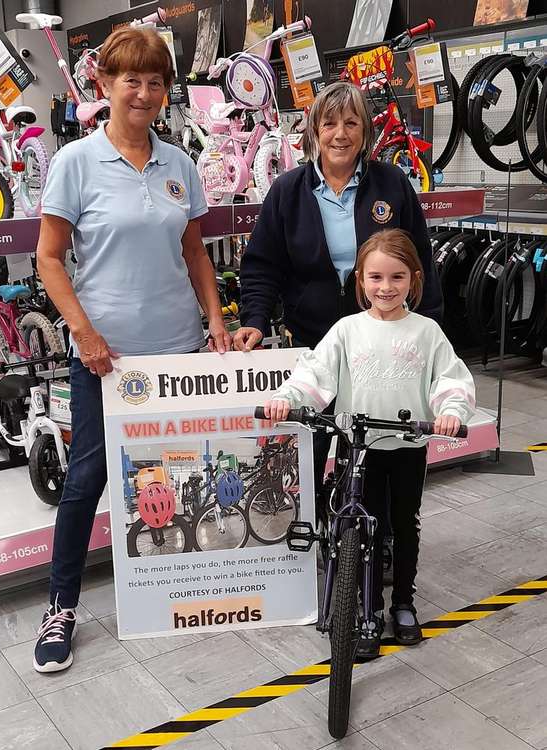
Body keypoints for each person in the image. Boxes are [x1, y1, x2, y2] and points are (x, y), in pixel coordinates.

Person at [33, 27, 230, 673]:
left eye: (154, 81)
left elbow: (194, 251)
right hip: (104, 358)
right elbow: (49, 258)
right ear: (105, 85)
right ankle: (60, 604)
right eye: (131, 80)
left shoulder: (177, 162)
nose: (143, 92)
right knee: (86, 478)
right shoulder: (76, 162)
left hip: (175, 351)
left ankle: (172, 588)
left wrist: (215, 322)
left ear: (166, 91)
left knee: (169, 469)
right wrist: (84, 334)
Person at [264, 229, 475, 656]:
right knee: (362, 529)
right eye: (375, 277)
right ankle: (368, 612)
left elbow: (450, 378)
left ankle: (403, 605)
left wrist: (451, 411)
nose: (385, 287)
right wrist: (287, 399)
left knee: (403, 525)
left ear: (413, 280)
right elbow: (314, 374)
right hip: (359, 449)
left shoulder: (426, 332)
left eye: (397, 277)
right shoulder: (347, 330)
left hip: (407, 450)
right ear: (360, 279)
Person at [233, 80, 443, 494]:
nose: (340, 134)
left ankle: (366, 541)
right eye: (329, 123)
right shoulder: (287, 191)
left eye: (351, 123)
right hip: (313, 343)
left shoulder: (391, 184)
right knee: (309, 456)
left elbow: (420, 261)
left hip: (380, 348)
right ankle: (315, 544)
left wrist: (431, 329)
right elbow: (262, 265)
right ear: (313, 130)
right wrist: (254, 320)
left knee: (372, 457)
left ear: (365, 130)